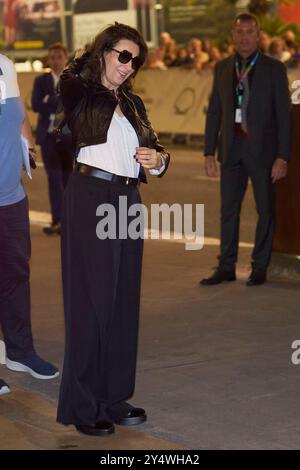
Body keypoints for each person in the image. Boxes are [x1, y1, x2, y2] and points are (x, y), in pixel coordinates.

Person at [56, 23, 170, 436]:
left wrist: (158, 160)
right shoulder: (78, 88)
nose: (128, 65)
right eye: (122, 55)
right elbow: (76, 87)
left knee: (122, 301)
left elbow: (156, 147)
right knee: (91, 302)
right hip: (91, 196)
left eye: (135, 60)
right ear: (103, 52)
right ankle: (83, 404)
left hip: (127, 201)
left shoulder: (134, 103)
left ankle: (113, 395)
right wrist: (97, 71)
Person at [200, 13, 291, 287]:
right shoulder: (222, 67)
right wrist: (208, 151)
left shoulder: (274, 69)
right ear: (233, 35)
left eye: (250, 32)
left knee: (265, 210)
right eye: (239, 32)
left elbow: (284, 116)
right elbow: (215, 111)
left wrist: (283, 156)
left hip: (263, 153)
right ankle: (226, 266)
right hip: (231, 151)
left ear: (259, 35)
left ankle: (259, 267)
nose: (244, 37)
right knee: (228, 211)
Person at [0, 53, 59, 386]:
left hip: (11, 198)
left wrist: (29, 146)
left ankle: (20, 351)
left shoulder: (4, 65)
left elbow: (17, 110)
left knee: (15, 277)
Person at [32, 42, 73, 235]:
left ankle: (70, 221)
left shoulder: (73, 80)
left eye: (59, 57)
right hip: (47, 137)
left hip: (67, 137)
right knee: (54, 179)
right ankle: (57, 220)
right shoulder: (41, 81)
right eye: (52, 57)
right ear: (48, 60)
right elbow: (35, 105)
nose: (55, 61)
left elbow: (72, 105)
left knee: (69, 180)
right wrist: (56, 102)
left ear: (66, 59)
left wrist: (50, 99)